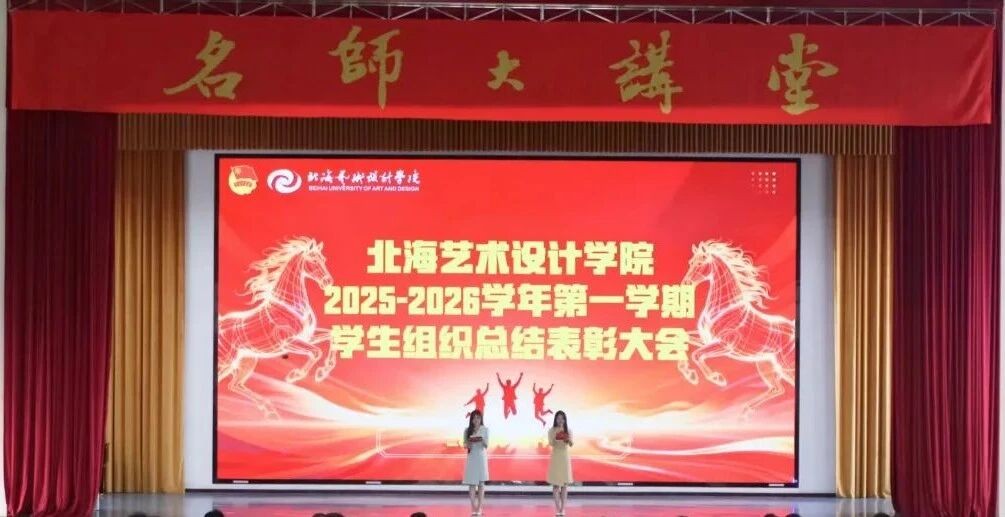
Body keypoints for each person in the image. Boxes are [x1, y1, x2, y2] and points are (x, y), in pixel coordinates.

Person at [463, 409, 490, 515]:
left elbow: (486, 445)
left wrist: (481, 440)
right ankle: (473, 508)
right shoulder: (467, 430)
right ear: (471, 419)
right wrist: (469, 443)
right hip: (472, 458)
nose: (476, 420)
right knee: (472, 483)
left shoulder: (485, 429)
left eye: (478, 418)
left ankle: (479, 508)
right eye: (474, 418)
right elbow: (465, 445)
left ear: (481, 419)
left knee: (481, 483)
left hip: (481, 458)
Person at [547, 410, 573, 516]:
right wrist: (557, 435)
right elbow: (551, 443)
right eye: (558, 418)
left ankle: (563, 509)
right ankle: (558, 509)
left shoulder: (568, 430)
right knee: (556, 485)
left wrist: (567, 438)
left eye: (562, 418)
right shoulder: (551, 430)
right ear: (555, 419)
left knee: (564, 485)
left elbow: (571, 444)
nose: (560, 420)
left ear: (565, 420)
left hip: (564, 458)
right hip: (556, 458)